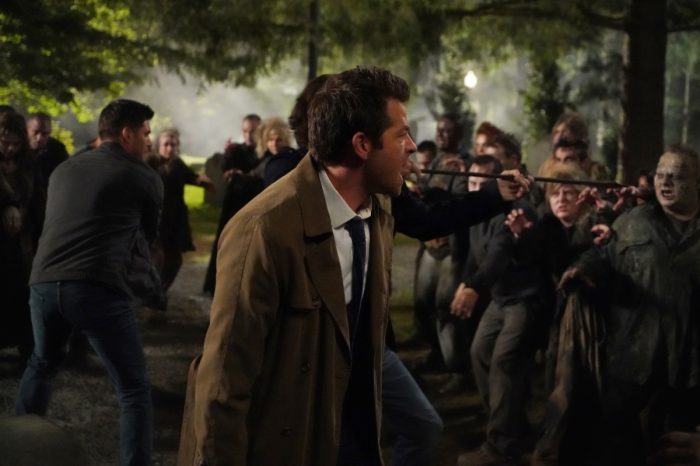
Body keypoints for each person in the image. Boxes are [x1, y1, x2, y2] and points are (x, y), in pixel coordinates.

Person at [177, 66, 532, 466]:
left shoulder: (377, 206)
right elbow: (224, 381)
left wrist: (494, 193)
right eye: (401, 135)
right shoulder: (264, 230)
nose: (413, 148)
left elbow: (431, 218)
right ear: (362, 145)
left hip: (352, 422)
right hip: (289, 436)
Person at [15, 99, 163, 466]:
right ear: (126, 133)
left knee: (42, 363)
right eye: (145, 133)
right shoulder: (143, 176)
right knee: (133, 388)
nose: (149, 140)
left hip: (43, 283)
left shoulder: (63, 169)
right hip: (96, 287)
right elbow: (147, 238)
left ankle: (15, 450)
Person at [560, 144, 700, 465]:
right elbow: (602, 254)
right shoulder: (634, 221)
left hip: (690, 363)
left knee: (676, 444)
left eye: (676, 176)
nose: (665, 182)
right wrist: (583, 269)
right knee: (618, 442)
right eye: (660, 175)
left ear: (697, 183)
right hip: (633, 355)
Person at [0, 111, 45, 358]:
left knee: (22, 295)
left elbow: (38, 201)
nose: (9, 149)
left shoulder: (28, 166)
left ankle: (27, 349)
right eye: (4, 142)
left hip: (22, 243)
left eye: (15, 144)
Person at [148, 128, 212, 296]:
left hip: (174, 218)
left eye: (173, 145)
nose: (170, 148)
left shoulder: (177, 164)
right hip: (155, 218)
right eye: (166, 144)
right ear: (158, 145)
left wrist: (202, 181)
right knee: (157, 258)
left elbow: (192, 177)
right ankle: (152, 295)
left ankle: (160, 291)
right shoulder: (151, 162)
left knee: (175, 260)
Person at [25, 112, 69, 187]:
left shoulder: (57, 149)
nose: (39, 138)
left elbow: (65, 175)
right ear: (26, 130)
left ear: (50, 132)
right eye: (35, 132)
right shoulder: (17, 146)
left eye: (44, 133)